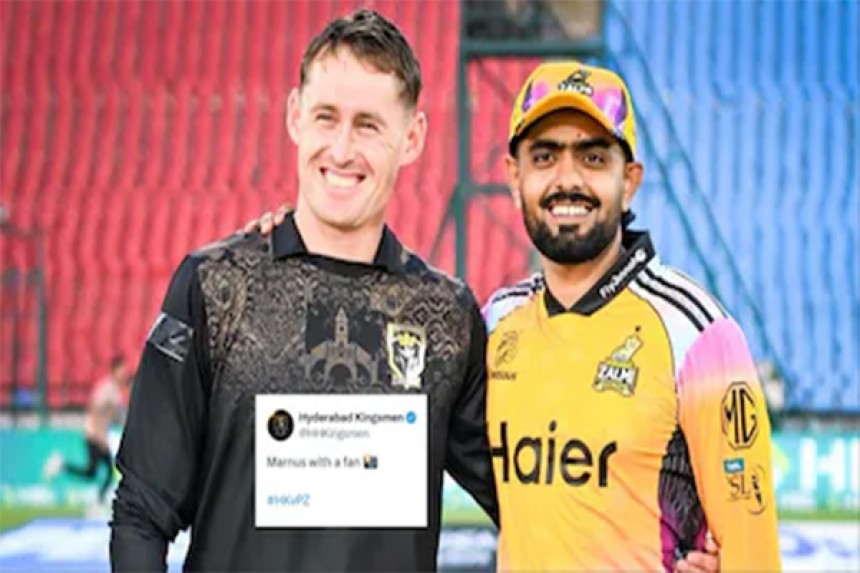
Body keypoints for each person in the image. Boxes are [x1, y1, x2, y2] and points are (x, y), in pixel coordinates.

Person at [110, 9, 497, 572]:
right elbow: (141, 514)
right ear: (295, 116)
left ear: (412, 138)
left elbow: (534, 498)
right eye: (326, 117)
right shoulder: (216, 287)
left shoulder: (445, 318)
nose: (341, 149)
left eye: (368, 125)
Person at [480, 61, 781, 570]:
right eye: (545, 156)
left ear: (630, 181)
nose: (567, 179)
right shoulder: (494, 323)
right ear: (515, 177)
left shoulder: (697, 333)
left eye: (593, 158)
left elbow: (754, 556)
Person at [44, 355, 131, 504]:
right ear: (114, 370)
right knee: (105, 472)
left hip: (98, 434)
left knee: (93, 472)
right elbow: (94, 409)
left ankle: (61, 465)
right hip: (94, 434)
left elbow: (112, 416)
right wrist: (98, 435)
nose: (125, 374)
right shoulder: (107, 389)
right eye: (122, 370)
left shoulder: (115, 390)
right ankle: (98, 500)